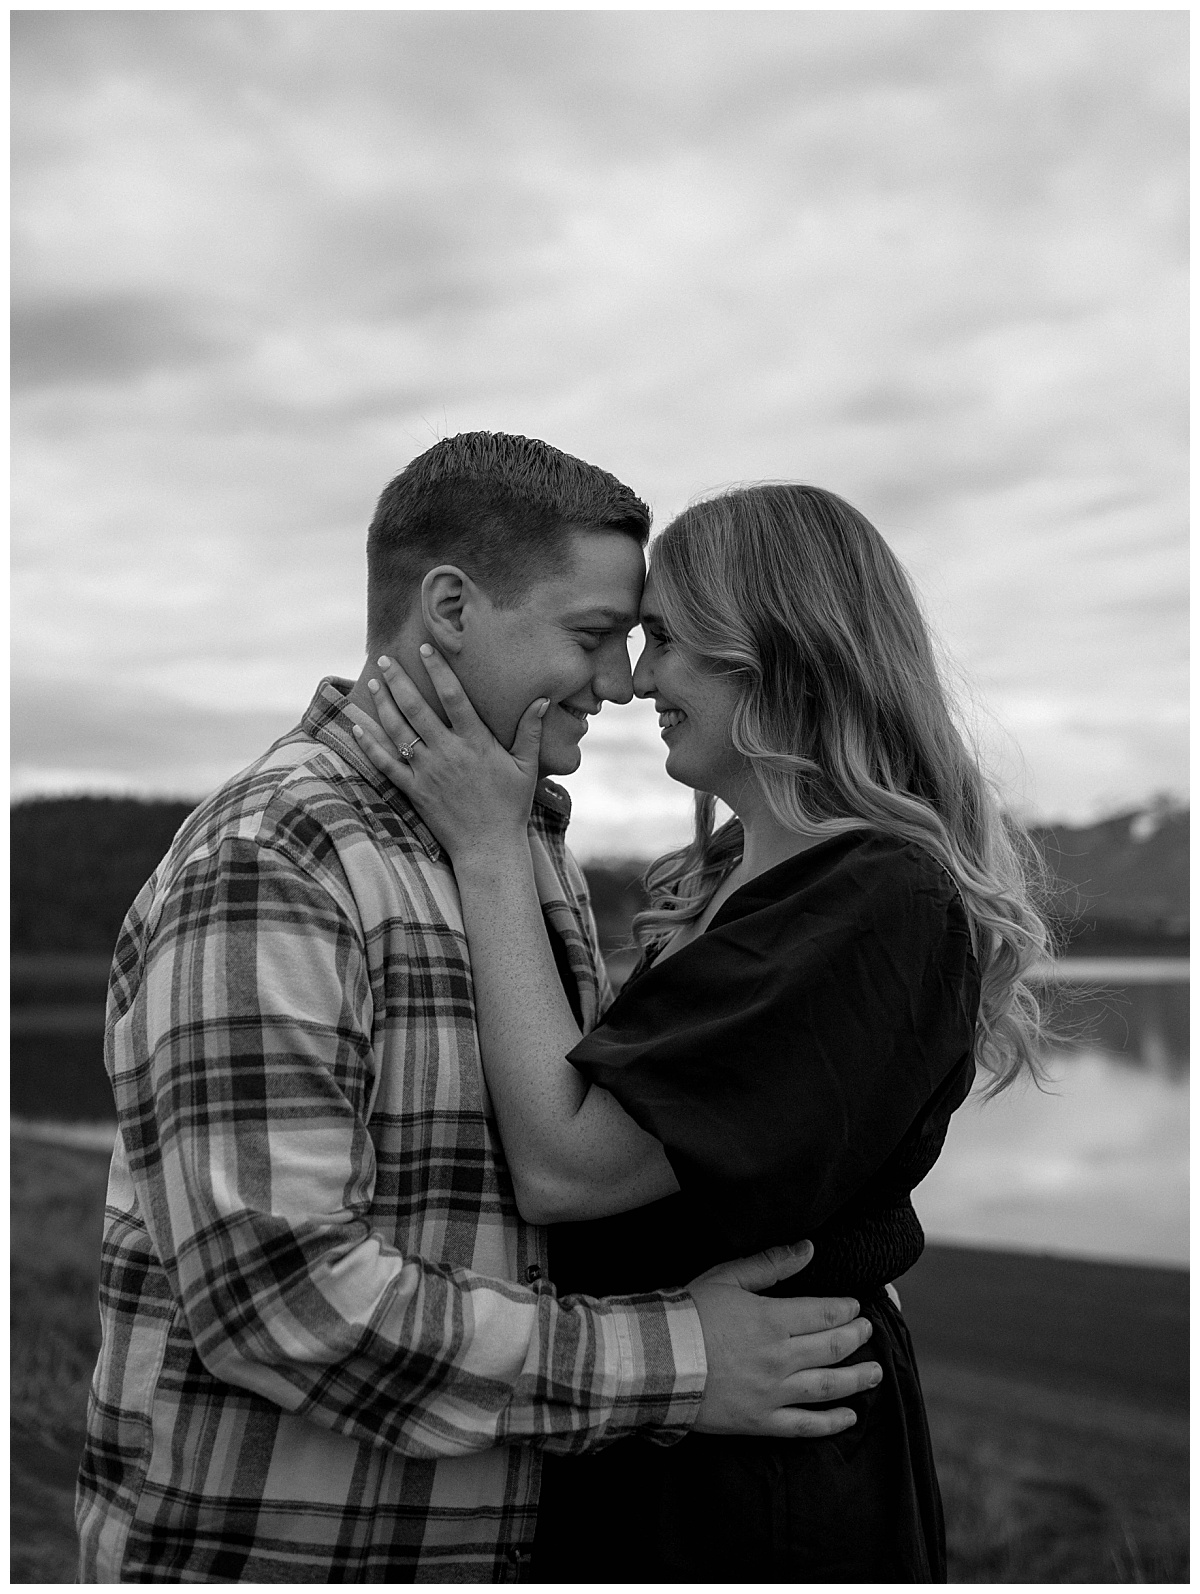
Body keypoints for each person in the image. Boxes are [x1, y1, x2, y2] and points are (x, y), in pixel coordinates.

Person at [76, 437, 884, 1584]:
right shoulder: (276, 855)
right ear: (450, 606)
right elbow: (281, 1299)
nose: (619, 683)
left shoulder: (510, 839)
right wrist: (680, 1360)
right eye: (592, 635)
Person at [349, 480, 1053, 1582]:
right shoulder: (729, 877)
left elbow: (571, 1168)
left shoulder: (877, 898)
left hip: (756, 1479)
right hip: (663, 1422)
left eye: (666, 639)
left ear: (775, 650)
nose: (633, 681)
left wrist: (487, 843)